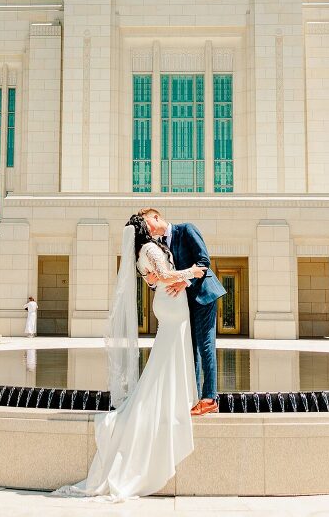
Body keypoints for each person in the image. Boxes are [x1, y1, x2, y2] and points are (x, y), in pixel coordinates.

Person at [52, 213, 207, 500]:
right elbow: (161, 276)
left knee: (168, 354)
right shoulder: (149, 249)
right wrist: (191, 273)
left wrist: (172, 279)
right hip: (172, 304)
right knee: (168, 354)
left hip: (168, 301)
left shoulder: (141, 253)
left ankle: (178, 397)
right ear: (142, 229)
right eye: (146, 223)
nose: (151, 224)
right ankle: (174, 400)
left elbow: (151, 279)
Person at [139, 207, 225, 415]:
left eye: (146, 223)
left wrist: (184, 282)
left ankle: (209, 398)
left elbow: (204, 262)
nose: (146, 229)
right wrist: (152, 281)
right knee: (191, 347)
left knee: (205, 345)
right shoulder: (156, 246)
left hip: (203, 296)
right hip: (183, 303)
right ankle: (192, 396)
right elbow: (164, 274)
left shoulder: (186, 230)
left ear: (156, 217)